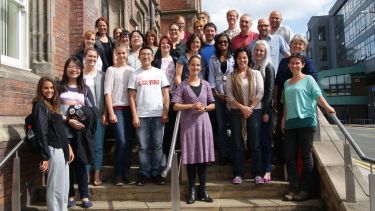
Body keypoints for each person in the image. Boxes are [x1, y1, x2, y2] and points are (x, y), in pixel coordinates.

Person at [281, 53, 335, 201]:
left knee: (306, 156)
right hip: (291, 123)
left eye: (297, 63)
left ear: (303, 65)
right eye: (292, 63)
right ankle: (294, 186)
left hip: (306, 121)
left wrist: (327, 107)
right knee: (289, 156)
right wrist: (283, 119)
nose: (294, 65)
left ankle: (306, 190)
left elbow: (318, 96)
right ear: (289, 65)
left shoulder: (309, 79)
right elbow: (286, 102)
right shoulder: (287, 83)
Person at [172, 55, 215, 204]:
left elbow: (212, 104)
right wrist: (191, 106)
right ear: (188, 67)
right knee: (190, 158)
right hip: (189, 125)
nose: (195, 68)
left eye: (198, 65)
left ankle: (202, 190)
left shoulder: (206, 84)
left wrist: (205, 108)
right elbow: (175, 105)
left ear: (201, 68)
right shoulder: (183, 86)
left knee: (202, 158)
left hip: (204, 124)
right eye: (193, 65)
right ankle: (191, 190)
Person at [128, 46, 170, 186]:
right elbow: (132, 97)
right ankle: (144, 174)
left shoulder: (160, 73)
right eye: (143, 54)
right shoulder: (135, 74)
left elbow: (166, 94)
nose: (146, 57)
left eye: (148, 54)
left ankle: (156, 173)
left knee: (157, 146)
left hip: (158, 115)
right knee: (143, 147)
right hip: (142, 116)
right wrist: (134, 116)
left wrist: (165, 111)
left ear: (152, 57)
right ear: (139, 57)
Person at [274, 34, 318, 165]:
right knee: (279, 133)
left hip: (299, 104)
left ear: (304, 47)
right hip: (284, 101)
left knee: (299, 142)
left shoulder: (307, 61)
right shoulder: (284, 61)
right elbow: (277, 81)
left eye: (301, 44)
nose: (297, 46)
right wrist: (275, 98)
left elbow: (313, 80)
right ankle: (280, 161)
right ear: (290, 45)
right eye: (295, 43)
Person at [59, 57, 96, 208]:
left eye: (77, 67)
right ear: (66, 69)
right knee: (68, 164)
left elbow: (93, 111)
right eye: (71, 66)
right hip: (63, 132)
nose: (74, 69)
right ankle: (70, 195)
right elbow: (53, 109)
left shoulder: (85, 89)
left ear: (81, 70)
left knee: (81, 164)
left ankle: (85, 196)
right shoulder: (58, 86)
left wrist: (82, 121)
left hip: (80, 133)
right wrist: (68, 120)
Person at [33, 76, 74, 211]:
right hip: (52, 150)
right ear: (40, 89)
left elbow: (60, 130)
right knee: (55, 187)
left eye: (51, 88)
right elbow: (41, 131)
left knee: (63, 186)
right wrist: (45, 157)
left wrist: (68, 146)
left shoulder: (54, 106)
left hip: (62, 150)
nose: (49, 90)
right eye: (45, 88)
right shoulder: (40, 105)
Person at [225, 48, 264, 185]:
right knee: (238, 143)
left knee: (255, 143)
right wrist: (242, 108)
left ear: (249, 59)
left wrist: (250, 108)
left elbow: (260, 92)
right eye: (240, 58)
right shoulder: (231, 76)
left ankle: (258, 174)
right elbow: (229, 96)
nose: (242, 60)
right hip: (236, 112)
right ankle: (238, 174)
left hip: (254, 111)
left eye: (245, 57)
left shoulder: (256, 73)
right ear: (236, 60)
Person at [105, 43, 136, 185]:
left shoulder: (132, 70)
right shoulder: (111, 70)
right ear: (115, 54)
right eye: (119, 53)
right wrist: (110, 112)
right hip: (117, 109)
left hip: (130, 110)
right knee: (121, 141)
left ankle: (126, 173)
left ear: (127, 54)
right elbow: (107, 93)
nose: (122, 56)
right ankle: (117, 174)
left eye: (124, 53)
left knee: (128, 143)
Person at [208, 33, 235, 165]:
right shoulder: (213, 59)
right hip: (218, 96)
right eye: (220, 42)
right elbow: (211, 78)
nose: (223, 44)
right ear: (217, 44)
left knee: (234, 125)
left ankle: (234, 152)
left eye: (225, 42)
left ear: (229, 43)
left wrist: (230, 95)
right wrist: (218, 95)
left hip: (232, 96)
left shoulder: (233, 58)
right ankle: (224, 154)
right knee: (221, 125)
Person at [82, 47, 107, 186]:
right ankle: (85, 173)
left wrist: (106, 113)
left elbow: (106, 95)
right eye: (89, 56)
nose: (92, 59)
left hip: (99, 116)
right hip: (83, 117)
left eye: (94, 57)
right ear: (84, 57)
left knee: (98, 146)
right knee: (85, 146)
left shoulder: (102, 75)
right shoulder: (79, 76)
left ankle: (97, 173)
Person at [251, 40, 275, 182]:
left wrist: (266, 112)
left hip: (264, 110)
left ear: (265, 53)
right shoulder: (253, 67)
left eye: (262, 51)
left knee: (265, 141)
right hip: (254, 109)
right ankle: (258, 169)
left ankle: (267, 170)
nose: (259, 53)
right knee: (256, 141)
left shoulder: (268, 67)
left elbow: (270, 91)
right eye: (257, 50)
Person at [151, 36, 177, 162]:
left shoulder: (176, 60)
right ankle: (161, 155)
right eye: (163, 43)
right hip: (158, 97)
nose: (165, 45)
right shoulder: (155, 61)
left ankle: (169, 154)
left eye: (168, 43)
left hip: (172, 96)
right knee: (159, 127)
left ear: (171, 46)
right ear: (159, 45)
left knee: (170, 127)